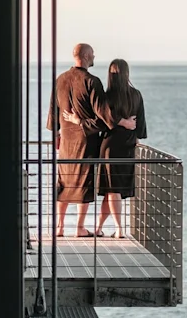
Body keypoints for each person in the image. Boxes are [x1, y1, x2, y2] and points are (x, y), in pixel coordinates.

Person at [46, 43, 137, 238]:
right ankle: (79, 227)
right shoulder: (92, 82)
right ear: (87, 56)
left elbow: (53, 112)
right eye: (93, 54)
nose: (94, 56)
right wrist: (125, 123)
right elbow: (104, 115)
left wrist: (56, 135)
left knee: (63, 183)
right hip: (86, 141)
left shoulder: (60, 79)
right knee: (83, 184)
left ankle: (59, 226)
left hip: (66, 142)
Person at [97, 59, 147, 237]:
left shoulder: (107, 96)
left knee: (112, 189)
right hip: (128, 146)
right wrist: (136, 138)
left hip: (110, 145)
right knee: (113, 189)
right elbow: (140, 124)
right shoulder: (136, 94)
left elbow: (103, 122)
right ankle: (100, 227)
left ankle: (118, 229)